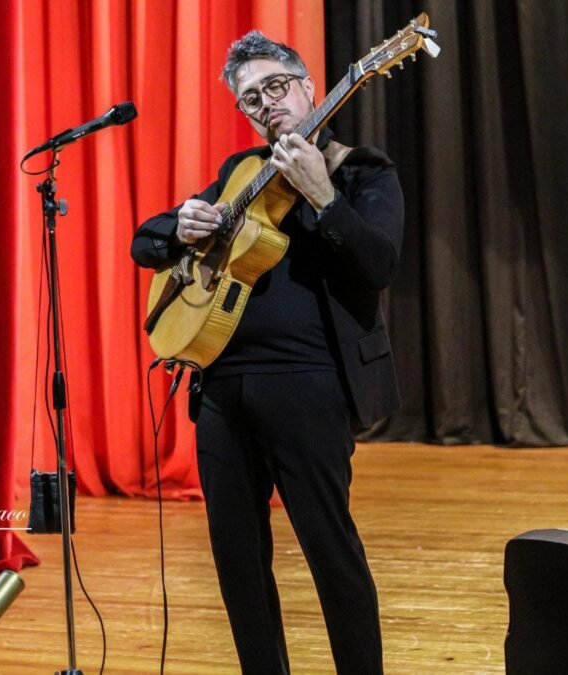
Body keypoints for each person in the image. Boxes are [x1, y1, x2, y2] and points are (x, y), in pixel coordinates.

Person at [131, 30, 403, 675]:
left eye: (275, 86)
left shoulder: (363, 169)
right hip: (221, 388)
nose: (266, 103)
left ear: (309, 85)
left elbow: (379, 264)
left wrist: (323, 195)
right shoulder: (239, 173)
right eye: (250, 98)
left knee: (328, 549)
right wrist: (181, 227)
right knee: (237, 556)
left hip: (309, 387)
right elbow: (146, 243)